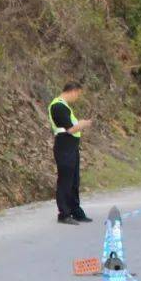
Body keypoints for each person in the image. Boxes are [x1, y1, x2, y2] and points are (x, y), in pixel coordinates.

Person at [48, 82, 94, 224]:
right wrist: (83, 124)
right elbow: (70, 129)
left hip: (71, 146)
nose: (77, 97)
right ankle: (64, 213)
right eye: (78, 94)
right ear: (73, 91)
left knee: (74, 180)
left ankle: (76, 211)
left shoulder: (65, 106)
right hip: (64, 146)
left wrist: (79, 124)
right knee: (65, 181)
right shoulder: (58, 106)